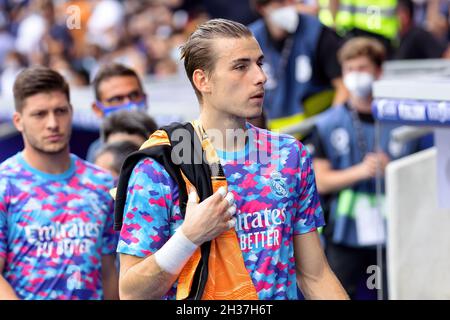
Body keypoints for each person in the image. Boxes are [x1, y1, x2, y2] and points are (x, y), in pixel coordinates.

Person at [115, 18, 348, 300]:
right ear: (203, 80)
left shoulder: (290, 154)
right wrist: (187, 238)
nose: (260, 77)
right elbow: (131, 293)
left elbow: (315, 275)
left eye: (260, 63)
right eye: (241, 67)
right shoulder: (161, 164)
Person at [303, 37, 422, 299]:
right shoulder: (328, 124)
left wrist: (393, 170)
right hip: (346, 232)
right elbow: (320, 181)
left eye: (362, 68)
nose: (355, 76)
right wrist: (362, 170)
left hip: (395, 230)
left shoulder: (404, 119)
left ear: (378, 71)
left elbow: (422, 177)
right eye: (349, 70)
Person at [0, 66, 119, 300]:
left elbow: (108, 271)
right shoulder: (5, 184)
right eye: (39, 114)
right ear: (18, 121)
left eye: (60, 111)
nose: (53, 123)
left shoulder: (102, 183)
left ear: (71, 113)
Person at [248, 0, 347, 134]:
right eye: (281, 3)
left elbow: (344, 87)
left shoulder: (317, 32)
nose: (290, 7)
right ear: (262, 8)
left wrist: (329, 127)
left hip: (316, 131)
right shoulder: (250, 40)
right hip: (275, 135)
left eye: (292, 1)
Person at [86, 63, 149, 162]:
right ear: (97, 110)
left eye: (134, 95)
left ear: (145, 99)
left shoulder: (165, 145)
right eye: (117, 99)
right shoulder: (96, 152)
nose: (129, 104)